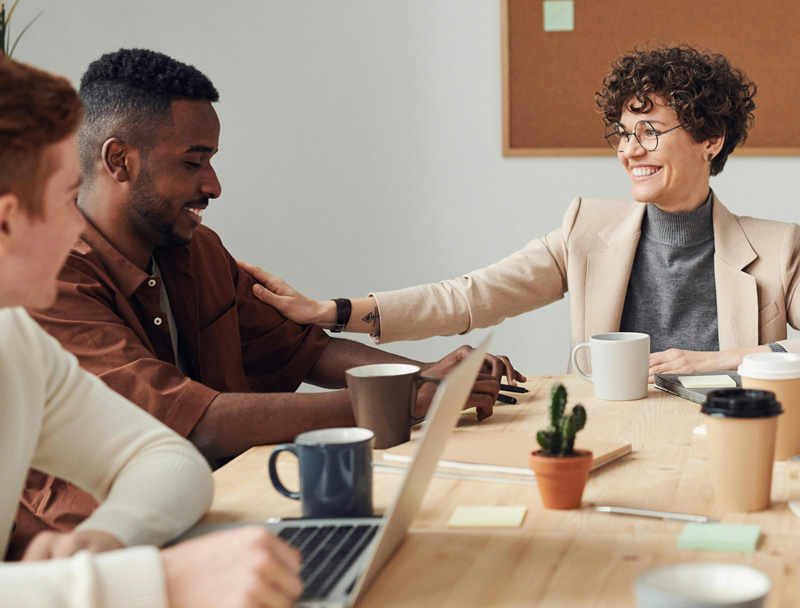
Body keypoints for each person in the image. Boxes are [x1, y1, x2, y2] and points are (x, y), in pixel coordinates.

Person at [15, 47, 513, 555]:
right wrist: (402, 402)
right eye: (193, 162)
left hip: (228, 511)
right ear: (119, 160)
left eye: (211, 160)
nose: (213, 185)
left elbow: (302, 350)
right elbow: (195, 424)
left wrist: (425, 378)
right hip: (113, 558)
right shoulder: (47, 287)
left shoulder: (195, 246)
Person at [242, 45, 800, 376]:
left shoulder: (778, 249)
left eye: (649, 132)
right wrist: (332, 310)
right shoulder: (587, 230)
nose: (630, 150)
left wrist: (724, 360)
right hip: (611, 441)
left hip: (736, 441)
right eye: (623, 133)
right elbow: (469, 297)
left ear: (710, 139)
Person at [0, 53, 302, 608]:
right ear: (6, 221)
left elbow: (166, 459)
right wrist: (161, 582)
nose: (81, 223)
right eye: (68, 197)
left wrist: (104, 540)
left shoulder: (14, 341)